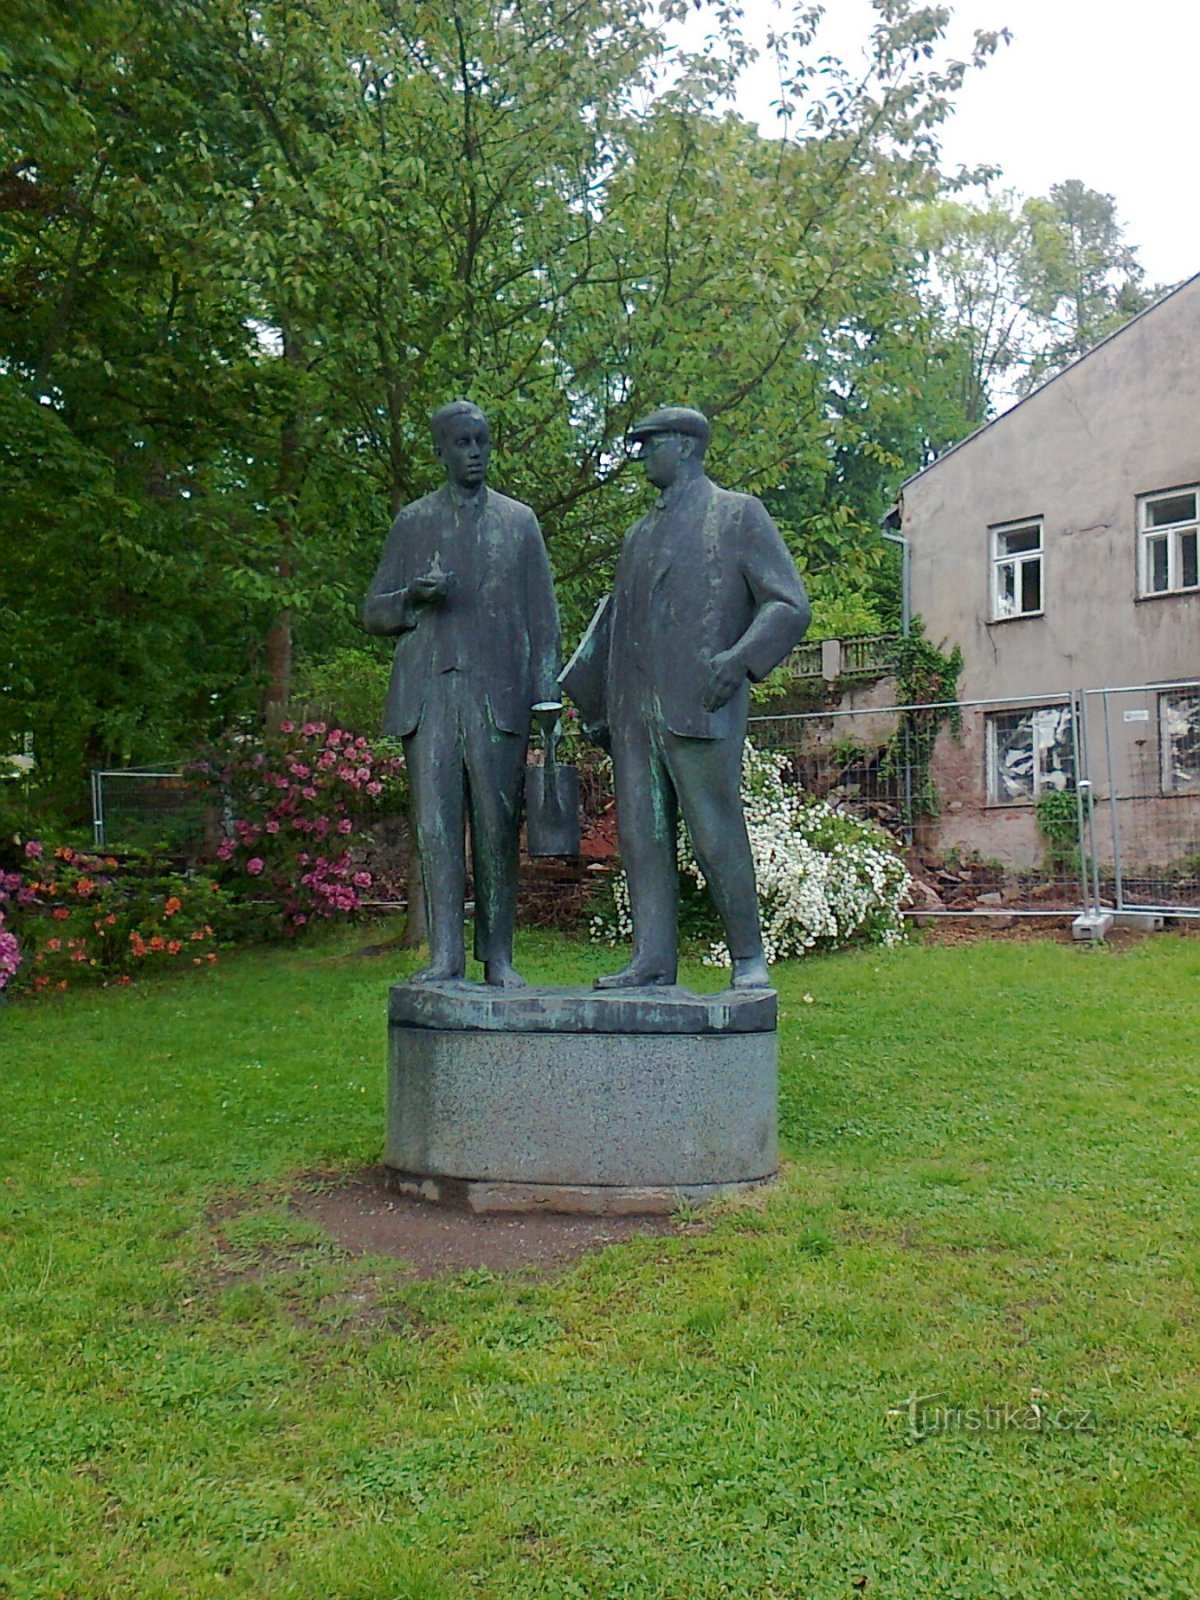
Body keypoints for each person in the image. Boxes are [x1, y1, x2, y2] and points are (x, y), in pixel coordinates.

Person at [590, 406, 810, 990]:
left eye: (650, 443)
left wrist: (738, 660)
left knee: (715, 831)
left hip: (701, 704)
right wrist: (602, 707)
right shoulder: (638, 535)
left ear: (685, 446)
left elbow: (788, 604)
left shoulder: (737, 515)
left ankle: (748, 960)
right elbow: (618, 625)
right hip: (634, 713)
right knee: (641, 836)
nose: (640, 455)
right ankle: (653, 958)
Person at [362, 400, 559, 987]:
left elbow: (544, 621)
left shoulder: (519, 522)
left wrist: (546, 700)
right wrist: (411, 600)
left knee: (497, 830)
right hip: (429, 698)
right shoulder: (413, 522)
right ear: (441, 451)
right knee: (437, 828)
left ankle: (497, 956)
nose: (475, 454)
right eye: (463, 444)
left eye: (482, 442)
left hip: (498, 697)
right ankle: (444, 955)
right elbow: (371, 611)